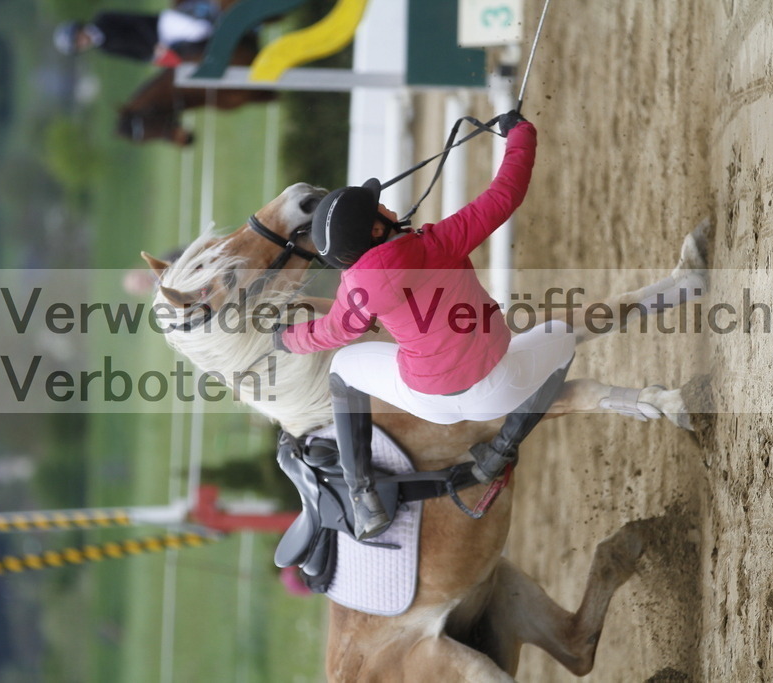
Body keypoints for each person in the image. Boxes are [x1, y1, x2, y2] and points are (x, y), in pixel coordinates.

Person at [274, 111, 556, 540]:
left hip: (428, 397)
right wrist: (520, 133)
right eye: (379, 207)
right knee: (561, 343)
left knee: (341, 368)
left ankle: (362, 491)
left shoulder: (355, 286)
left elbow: (334, 332)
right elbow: (505, 194)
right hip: (495, 370)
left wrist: (287, 338)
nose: (386, 205)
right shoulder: (441, 241)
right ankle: (502, 445)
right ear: (375, 227)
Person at [53, 1, 219, 67]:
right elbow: (132, 54)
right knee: (188, 66)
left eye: (78, 39)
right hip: (159, 50)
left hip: (161, 27)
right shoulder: (103, 48)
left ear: (79, 29)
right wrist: (151, 58)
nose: (82, 43)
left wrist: (155, 43)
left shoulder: (103, 19)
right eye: (78, 45)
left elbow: (137, 22)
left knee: (200, 30)